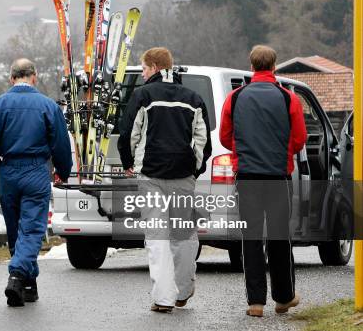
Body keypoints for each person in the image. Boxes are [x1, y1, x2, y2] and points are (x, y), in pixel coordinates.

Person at [117, 47, 211, 313]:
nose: (143, 73)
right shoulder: (193, 98)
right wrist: (195, 169)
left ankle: (163, 298)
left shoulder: (143, 95)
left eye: (144, 68)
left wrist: (128, 163)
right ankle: (184, 289)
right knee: (184, 235)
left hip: (151, 176)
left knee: (157, 237)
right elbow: (203, 142)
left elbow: (128, 135)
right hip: (183, 176)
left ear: (155, 67)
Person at [0, 58, 72, 307]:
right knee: (32, 229)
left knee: (16, 228)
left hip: (9, 170)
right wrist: (63, 170)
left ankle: (29, 284)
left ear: (11, 78)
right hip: (36, 170)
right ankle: (17, 276)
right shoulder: (48, 106)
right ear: (34, 77)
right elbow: (61, 143)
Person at [219, 45, 307, 317]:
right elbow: (299, 139)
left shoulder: (235, 97)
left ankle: (255, 302)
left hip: (246, 178)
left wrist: (243, 150)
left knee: (251, 239)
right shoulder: (288, 98)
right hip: (278, 177)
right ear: (275, 66)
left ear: (251, 66)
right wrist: (281, 152)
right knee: (280, 237)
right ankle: (283, 297)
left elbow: (224, 136)